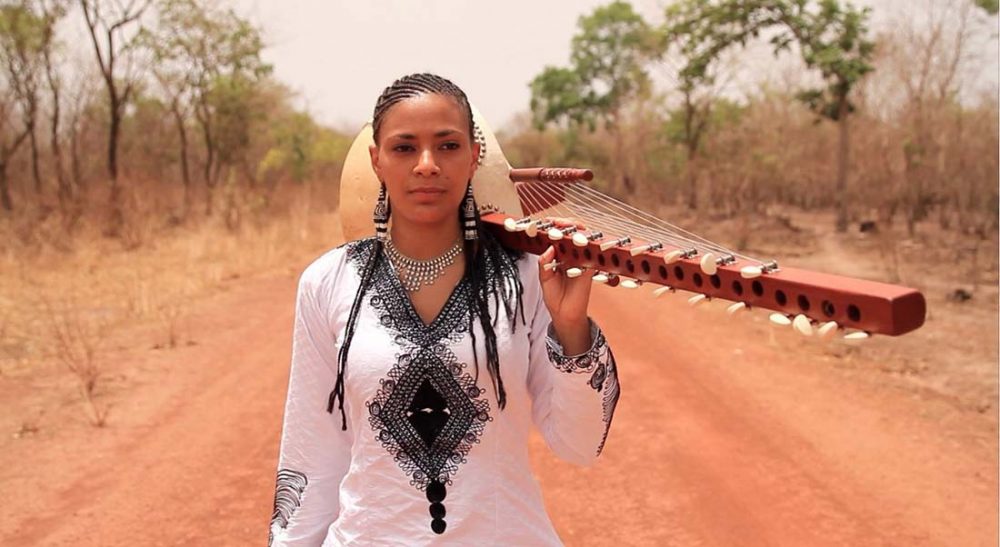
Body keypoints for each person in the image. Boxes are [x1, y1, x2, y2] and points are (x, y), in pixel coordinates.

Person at [268, 73, 620, 546]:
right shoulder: (329, 283)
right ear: (377, 160)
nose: (427, 165)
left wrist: (572, 328)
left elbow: (579, 446)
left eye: (448, 146)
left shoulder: (526, 278)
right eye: (404, 148)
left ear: (475, 157)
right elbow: (312, 450)